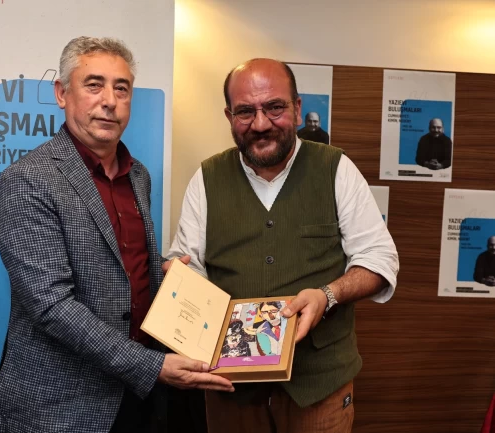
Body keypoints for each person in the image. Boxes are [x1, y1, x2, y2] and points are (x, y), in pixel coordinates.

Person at [0, 36, 233, 433]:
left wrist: (159, 272)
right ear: (62, 93)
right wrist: (152, 366)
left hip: (136, 399)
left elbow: (120, 262)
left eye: (122, 88)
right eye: (94, 85)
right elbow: (51, 306)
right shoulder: (28, 179)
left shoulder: (138, 175)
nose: (110, 101)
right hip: (61, 407)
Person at [169, 58, 399, 433]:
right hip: (231, 387)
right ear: (229, 116)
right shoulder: (206, 178)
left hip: (319, 387)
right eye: (246, 111)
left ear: (297, 108)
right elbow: (187, 264)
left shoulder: (336, 169)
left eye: (274, 107)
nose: (261, 124)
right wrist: (182, 281)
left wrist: (328, 295)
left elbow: (379, 260)